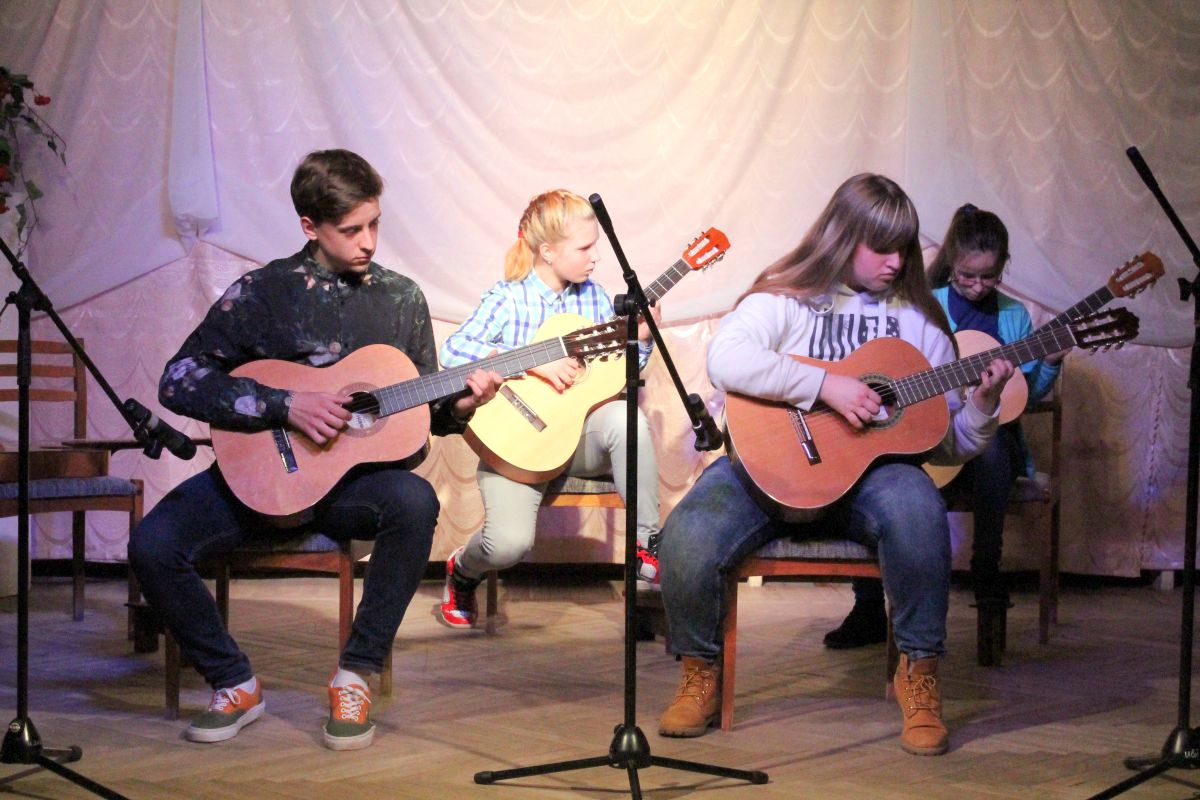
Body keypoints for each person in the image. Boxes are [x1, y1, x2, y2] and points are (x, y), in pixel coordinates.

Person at [127, 149, 503, 750]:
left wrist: (461, 404)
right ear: (310, 226)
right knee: (152, 545)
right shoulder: (264, 292)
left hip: (350, 489)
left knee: (414, 501)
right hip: (260, 482)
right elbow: (180, 380)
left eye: (374, 224)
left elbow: (422, 410)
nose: (368, 242)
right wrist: (284, 404)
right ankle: (233, 682)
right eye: (351, 230)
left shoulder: (401, 298)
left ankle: (355, 674)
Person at [654, 174, 1014, 756]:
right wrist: (825, 386)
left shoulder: (922, 324)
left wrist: (983, 407)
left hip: (873, 480)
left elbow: (943, 442)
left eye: (904, 248)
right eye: (882, 247)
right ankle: (700, 670)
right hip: (767, 470)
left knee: (922, 511)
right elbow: (727, 359)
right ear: (843, 237)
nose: (897, 262)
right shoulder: (786, 298)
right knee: (688, 533)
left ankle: (919, 673)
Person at [823, 203, 1064, 650]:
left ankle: (986, 569)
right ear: (951, 263)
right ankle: (868, 605)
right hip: (921, 440)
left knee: (993, 448)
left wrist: (1048, 363)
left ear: (1003, 267)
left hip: (986, 447)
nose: (977, 286)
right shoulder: (922, 305)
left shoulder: (1014, 316)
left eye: (989, 277)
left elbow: (1023, 395)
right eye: (967, 275)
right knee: (876, 464)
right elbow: (891, 367)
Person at [436, 189, 662, 628]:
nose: (596, 257)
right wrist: (532, 360)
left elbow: (615, 374)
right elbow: (453, 350)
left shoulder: (595, 299)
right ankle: (462, 569)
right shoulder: (508, 298)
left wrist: (643, 341)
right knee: (507, 546)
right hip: (519, 445)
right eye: (584, 247)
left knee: (625, 418)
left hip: (575, 440)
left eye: (596, 246)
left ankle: (647, 548)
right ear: (548, 251)